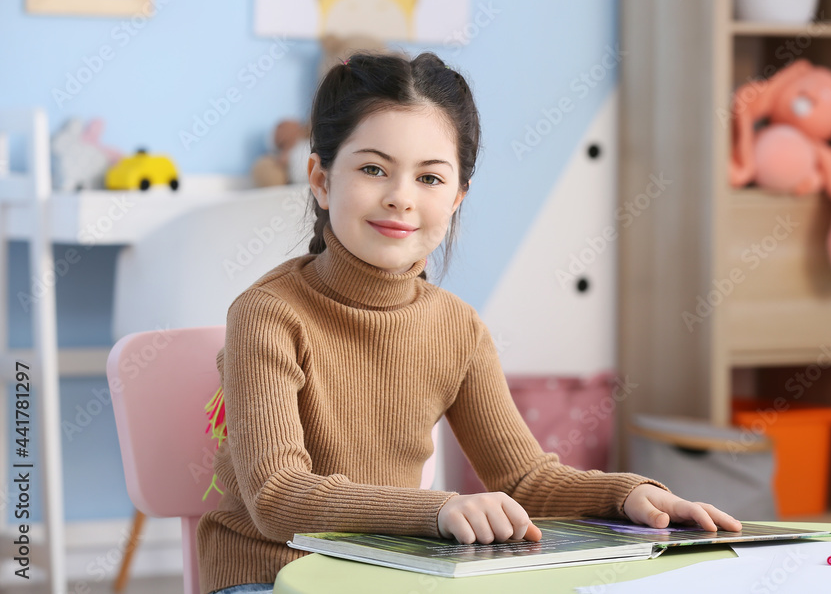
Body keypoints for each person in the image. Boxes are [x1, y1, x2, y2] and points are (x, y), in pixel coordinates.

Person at [196, 51, 741, 594]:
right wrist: (440, 511)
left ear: (458, 197)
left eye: (430, 179)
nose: (400, 198)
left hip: (393, 578)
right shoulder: (268, 314)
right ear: (320, 178)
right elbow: (278, 498)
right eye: (371, 169)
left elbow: (524, 478)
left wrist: (625, 496)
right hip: (269, 577)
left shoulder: (456, 327)